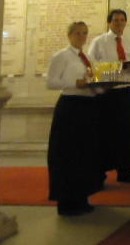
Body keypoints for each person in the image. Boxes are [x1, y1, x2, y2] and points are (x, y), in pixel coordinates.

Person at [47, 21, 102, 216]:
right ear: (69, 35)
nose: (81, 37)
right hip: (70, 108)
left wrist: (102, 85)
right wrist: (75, 83)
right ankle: (67, 201)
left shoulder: (87, 58)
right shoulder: (61, 56)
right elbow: (51, 82)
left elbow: (92, 81)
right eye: (77, 33)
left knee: (85, 154)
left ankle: (81, 197)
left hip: (87, 106)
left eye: (84, 33)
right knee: (68, 154)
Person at [88, 9, 130, 184]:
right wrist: (110, 68)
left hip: (124, 90)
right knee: (105, 133)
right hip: (107, 93)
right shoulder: (99, 42)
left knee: (126, 133)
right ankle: (100, 173)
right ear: (109, 23)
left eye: (122, 20)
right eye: (116, 20)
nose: (119, 23)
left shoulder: (129, 42)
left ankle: (125, 171)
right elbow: (91, 66)